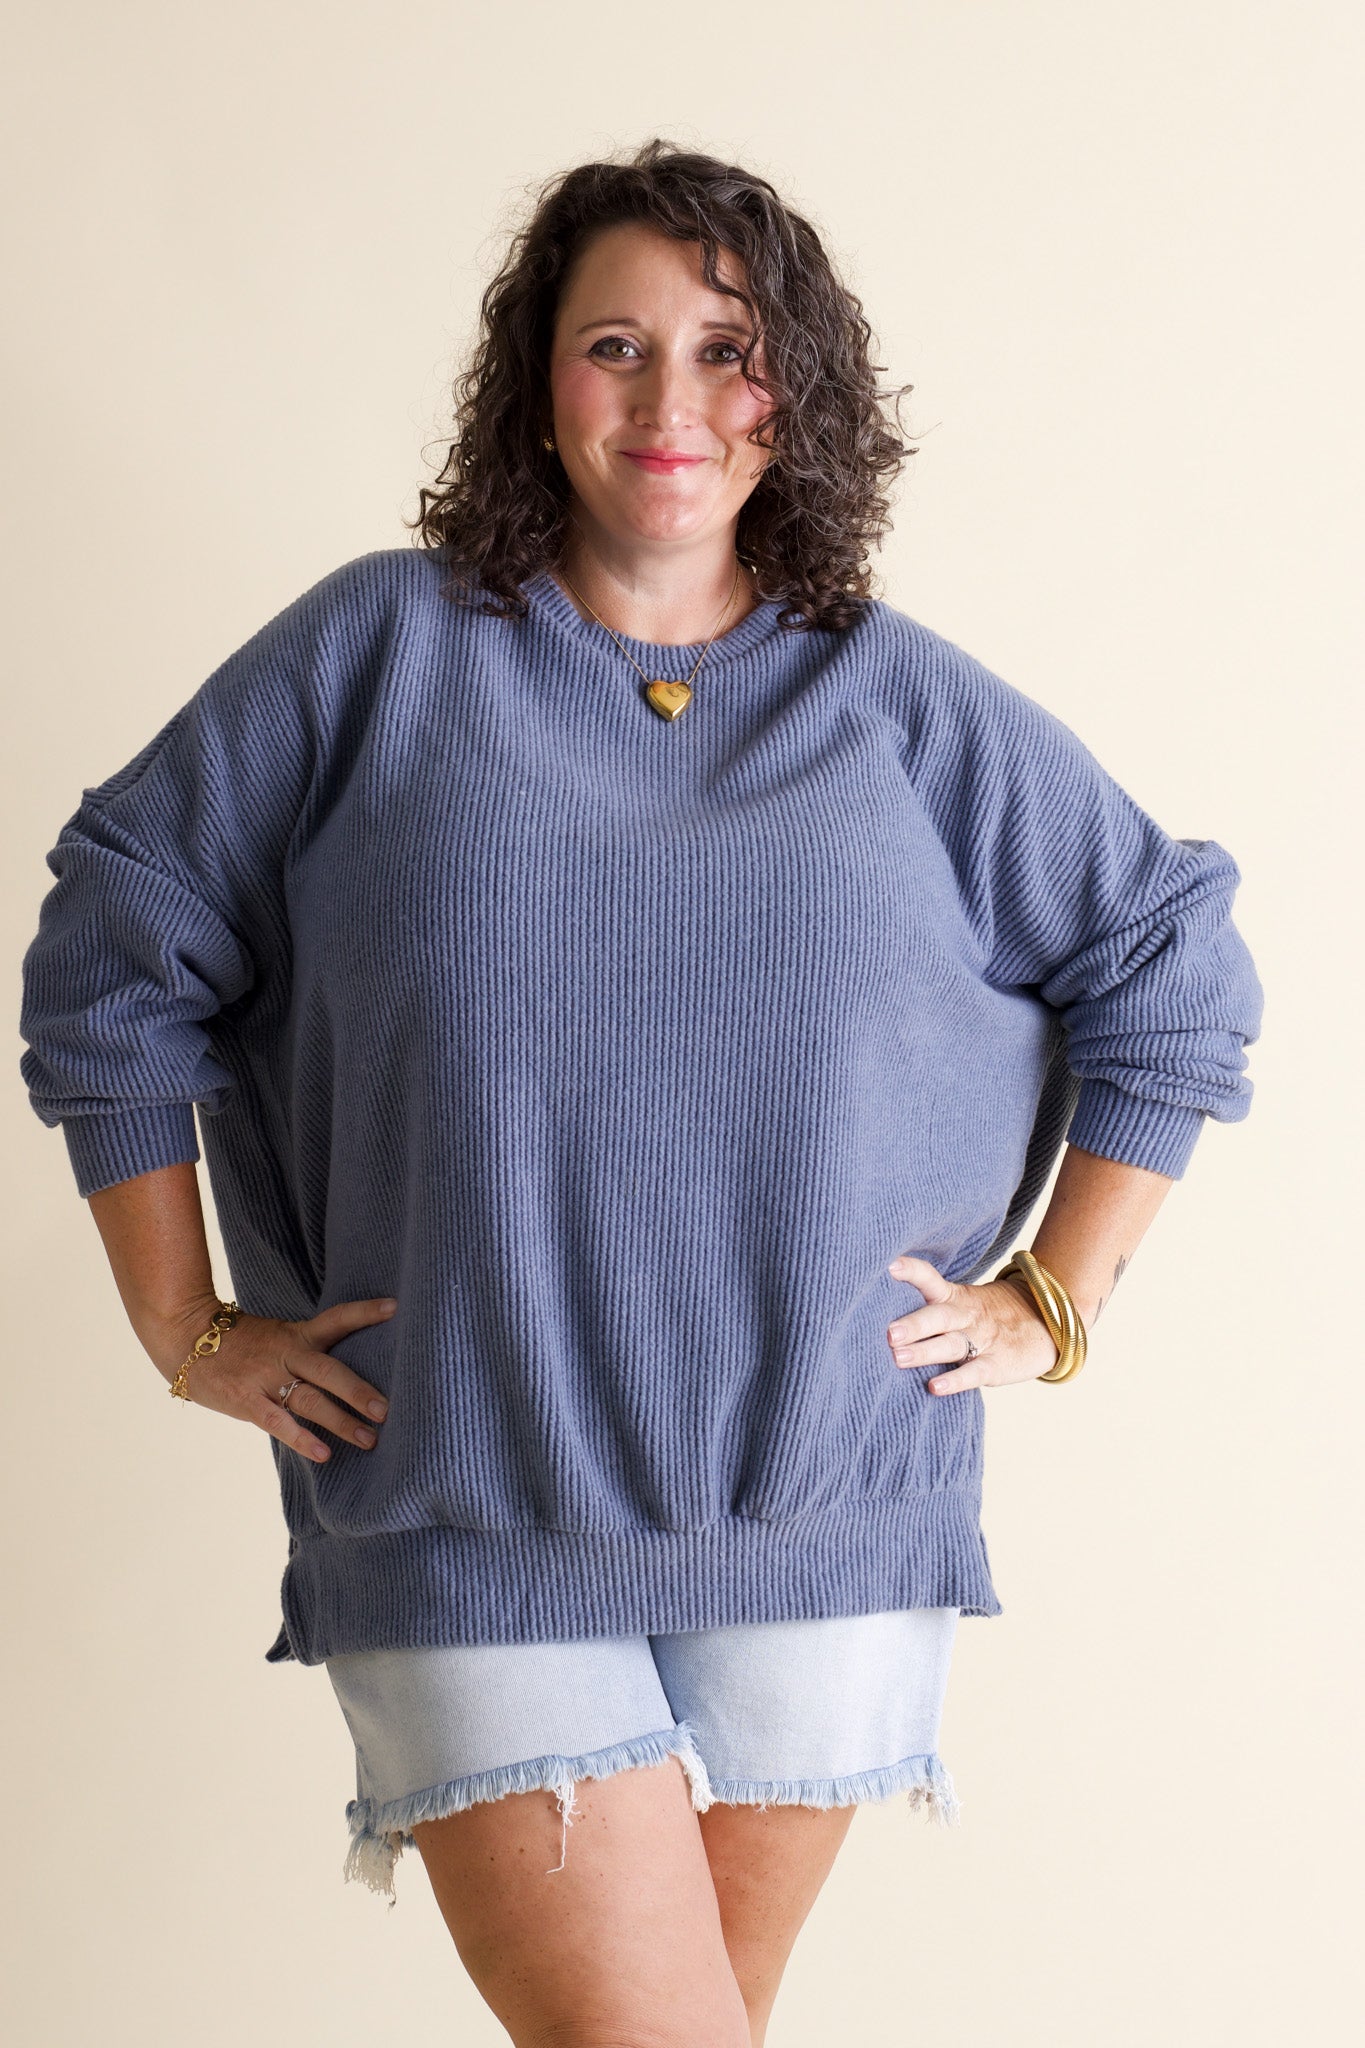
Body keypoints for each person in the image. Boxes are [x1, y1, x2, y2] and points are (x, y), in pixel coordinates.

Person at [17, 138, 1263, 2048]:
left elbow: (1170, 969)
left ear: (795, 393)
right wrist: (181, 1324)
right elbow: (113, 950)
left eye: (725, 349)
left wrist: (1053, 1301)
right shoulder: (377, 653)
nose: (670, 401)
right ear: (539, 382)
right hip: (460, 1493)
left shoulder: (897, 703)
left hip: (820, 1504)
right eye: (615, 346)